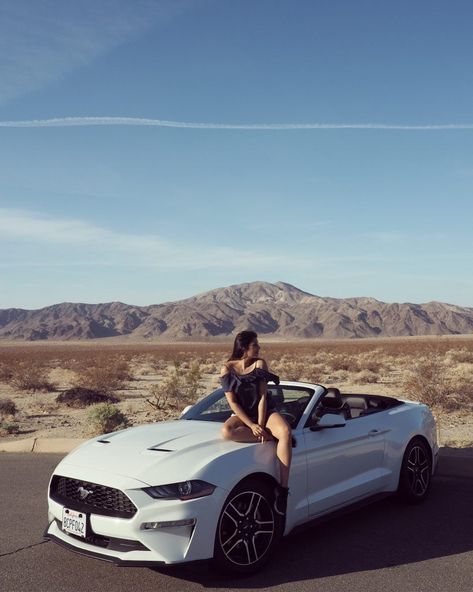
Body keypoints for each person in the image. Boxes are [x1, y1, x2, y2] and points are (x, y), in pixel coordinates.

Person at [220, 330, 292, 515]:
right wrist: (252, 426)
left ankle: (283, 489)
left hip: (264, 412)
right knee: (227, 432)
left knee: (284, 431)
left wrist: (260, 423)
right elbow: (233, 402)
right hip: (243, 414)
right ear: (243, 347)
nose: (259, 348)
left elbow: (262, 397)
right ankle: (269, 438)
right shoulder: (227, 368)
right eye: (255, 345)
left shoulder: (260, 364)